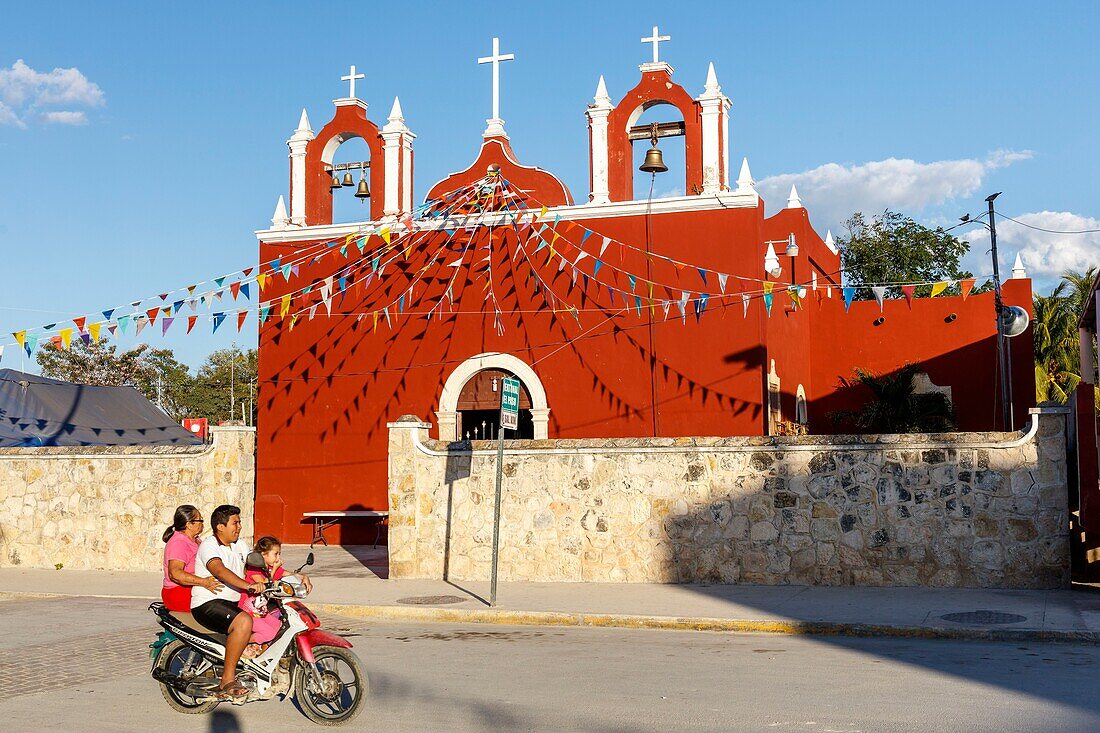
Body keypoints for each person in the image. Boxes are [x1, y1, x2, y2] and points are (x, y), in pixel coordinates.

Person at [190, 504, 265, 699]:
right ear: (220, 526)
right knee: (244, 622)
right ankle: (227, 679)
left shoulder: (240, 545)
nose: (239, 527)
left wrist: (292, 577)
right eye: (235, 523)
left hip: (230, 604)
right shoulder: (209, 545)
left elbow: (256, 565)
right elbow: (219, 570)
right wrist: (247, 586)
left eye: (240, 522)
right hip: (208, 604)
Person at [238, 536, 312, 656]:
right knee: (268, 633)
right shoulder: (254, 569)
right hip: (248, 612)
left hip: (261, 612)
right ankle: (240, 643)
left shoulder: (270, 568)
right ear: (263, 555)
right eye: (275, 554)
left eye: (279, 554)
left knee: (279, 626)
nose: (278, 558)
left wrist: (304, 577)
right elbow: (265, 583)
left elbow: (288, 574)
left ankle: (258, 647)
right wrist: (275, 568)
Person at [161, 504, 223, 611]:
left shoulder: (195, 540)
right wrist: (204, 582)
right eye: (200, 520)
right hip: (178, 592)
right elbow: (175, 573)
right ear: (189, 524)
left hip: (192, 588)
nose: (202, 524)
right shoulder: (179, 542)